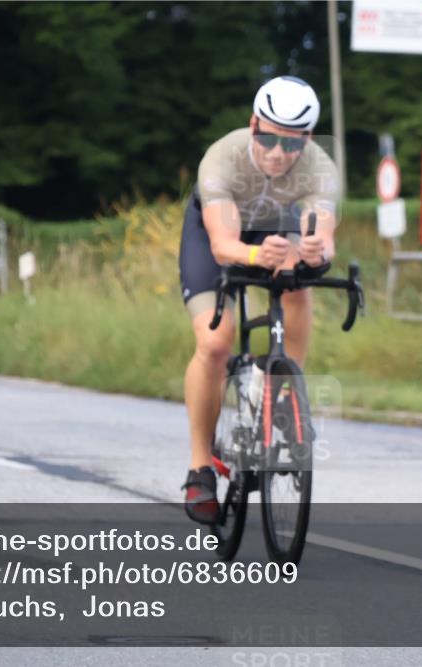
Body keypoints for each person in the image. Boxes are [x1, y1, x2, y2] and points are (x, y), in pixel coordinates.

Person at [178, 76, 340, 523]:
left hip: (276, 231)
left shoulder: (320, 168)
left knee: (299, 280)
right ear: (253, 124)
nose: (277, 153)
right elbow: (222, 245)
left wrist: (314, 251)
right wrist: (254, 254)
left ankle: (286, 391)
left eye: (292, 144)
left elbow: (323, 236)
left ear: (308, 138)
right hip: (222, 238)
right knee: (215, 340)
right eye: (266, 137)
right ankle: (199, 467)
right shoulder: (222, 159)